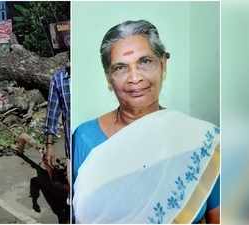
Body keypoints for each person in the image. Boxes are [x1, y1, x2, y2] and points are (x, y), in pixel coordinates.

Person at [72, 20, 220, 224]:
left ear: (163, 65)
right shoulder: (85, 138)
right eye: (121, 68)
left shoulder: (200, 140)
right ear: (109, 78)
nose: (135, 78)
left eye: (145, 62)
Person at [43, 62, 71, 179]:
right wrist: (49, 146)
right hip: (72, 148)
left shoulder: (94, 74)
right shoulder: (59, 79)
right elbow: (52, 114)